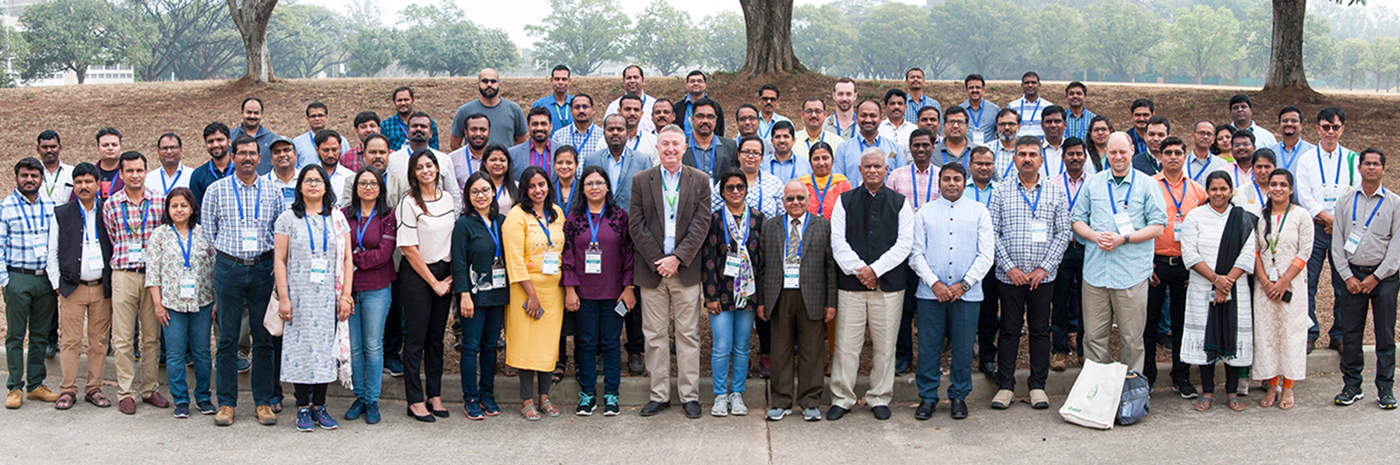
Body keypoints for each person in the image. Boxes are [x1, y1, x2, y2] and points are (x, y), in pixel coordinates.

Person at [203, 135, 288, 426]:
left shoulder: (273, 190)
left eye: (252, 153)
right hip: (229, 268)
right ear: (233, 156)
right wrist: (226, 258)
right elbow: (208, 233)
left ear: (259, 157)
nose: (248, 158)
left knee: (262, 337)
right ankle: (226, 403)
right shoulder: (217, 190)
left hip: (264, 268)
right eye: (242, 153)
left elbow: (279, 231)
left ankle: (263, 402)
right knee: (227, 338)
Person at [629, 125, 713, 419]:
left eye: (675, 144)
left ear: (685, 146)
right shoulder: (641, 180)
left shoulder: (700, 180)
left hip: (685, 271)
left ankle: (689, 396)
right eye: (665, 144)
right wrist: (660, 260)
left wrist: (677, 258)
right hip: (652, 272)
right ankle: (659, 394)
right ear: (657, 146)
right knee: (654, 335)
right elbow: (636, 225)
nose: (670, 149)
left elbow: (702, 224)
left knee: (688, 334)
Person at [1070, 132, 1167, 374]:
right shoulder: (1093, 183)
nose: (1118, 157)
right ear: (1107, 154)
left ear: (1133, 150)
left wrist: (1124, 239)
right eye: (1112, 152)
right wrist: (1095, 236)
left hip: (1131, 275)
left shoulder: (1148, 185)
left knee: (1132, 340)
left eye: (1123, 151)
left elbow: (1158, 225)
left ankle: (1130, 394)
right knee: (1093, 338)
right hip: (1095, 274)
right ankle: (1096, 395)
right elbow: (1077, 220)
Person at [828, 149, 914, 421]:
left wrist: (875, 270)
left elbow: (904, 244)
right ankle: (842, 397)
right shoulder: (844, 201)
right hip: (851, 287)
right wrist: (860, 271)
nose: (873, 170)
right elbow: (838, 242)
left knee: (885, 345)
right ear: (860, 170)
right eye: (867, 167)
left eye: (878, 166)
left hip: (888, 288)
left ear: (886, 169)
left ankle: (879, 396)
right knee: (846, 345)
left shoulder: (901, 203)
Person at [988, 136, 1070, 410]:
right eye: (1021, 153)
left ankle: (1037, 386)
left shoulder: (1055, 192)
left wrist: (1043, 268)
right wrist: (1009, 267)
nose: (1026, 158)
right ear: (1014, 159)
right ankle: (1005, 386)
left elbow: (1063, 234)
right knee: (1010, 330)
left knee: (1039, 331)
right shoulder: (1000, 191)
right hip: (1009, 276)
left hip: (1042, 278)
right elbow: (993, 232)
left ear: (1041, 159)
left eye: (1032, 154)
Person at [908, 162, 993, 420]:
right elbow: (915, 253)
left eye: (957, 179)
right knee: (929, 347)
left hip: (967, 295)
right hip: (930, 294)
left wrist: (963, 284)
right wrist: (934, 283)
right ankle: (928, 397)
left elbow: (986, 254)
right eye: (947, 179)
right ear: (939, 182)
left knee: (963, 347)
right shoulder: (924, 212)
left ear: (964, 181)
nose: (952, 183)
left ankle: (958, 396)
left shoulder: (979, 212)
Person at [273, 165, 353, 432]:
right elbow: (280, 261)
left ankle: (320, 405)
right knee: (300, 351)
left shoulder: (337, 218)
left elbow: (347, 260)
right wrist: (284, 297)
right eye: (308, 180)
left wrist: (346, 296)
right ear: (300, 187)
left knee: (323, 352)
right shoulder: (287, 218)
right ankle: (303, 407)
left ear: (326, 186)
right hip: (299, 295)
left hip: (328, 297)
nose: (313, 185)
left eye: (318, 180)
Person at [1179, 171, 1257, 411]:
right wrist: (1215, 279)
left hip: (1236, 287)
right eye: (1214, 189)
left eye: (1223, 189)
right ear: (1207, 191)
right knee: (1206, 336)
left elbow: (1247, 254)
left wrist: (1227, 282)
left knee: (1231, 334)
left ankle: (1232, 392)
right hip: (1203, 286)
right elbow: (1189, 253)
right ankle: (1208, 391)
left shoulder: (1242, 218)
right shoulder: (1195, 216)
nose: (1219, 194)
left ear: (1231, 190)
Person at [561, 166, 634, 416]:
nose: (595, 187)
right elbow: (567, 255)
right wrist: (570, 289)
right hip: (584, 293)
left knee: (612, 343)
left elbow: (628, 254)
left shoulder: (619, 216)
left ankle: (612, 394)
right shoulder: (574, 218)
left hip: (614, 293)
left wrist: (628, 287)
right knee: (586, 343)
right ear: (582, 188)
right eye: (590, 183)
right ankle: (587, 394)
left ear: (607, 187)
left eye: (599, 183)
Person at [1330, 148, 1399, 409]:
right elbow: (1337, 245)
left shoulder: (1395, 203)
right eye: (1366, 163)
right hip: (1352, 277)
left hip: (1385, 279)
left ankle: (1385, 388)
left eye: (1376, 164)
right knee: (1350, 334)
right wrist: (1347, 276)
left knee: (1384, 334)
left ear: (1383, 169)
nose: (1371, 168)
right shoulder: (1345, 202)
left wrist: (1376, 277)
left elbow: (1396, 248)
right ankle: (1351, 385)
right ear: (1359, 168)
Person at [761, 180, 836, 422]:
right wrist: (762, 300)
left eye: (800, 198)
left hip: (812, 295)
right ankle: (781, 401)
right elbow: (762, 267)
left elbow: (830, 268)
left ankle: (810, 401)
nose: (795, 203)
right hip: (780, 294)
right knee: (780, 350)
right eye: (790, 198)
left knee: (811, 351)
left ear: (808, 200)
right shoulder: (770, 226)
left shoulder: (823, 226)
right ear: (783, 201)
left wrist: (831, 303)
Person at [396, 149, 460, 422]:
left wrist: (450, 277)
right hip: (417, 275)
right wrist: (433, 282)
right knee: (416, 339)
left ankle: (435, 394)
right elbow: (408, 248)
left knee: (436, 338)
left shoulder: (447, 199)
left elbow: (454, 239)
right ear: (413, 173)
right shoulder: (408, 202)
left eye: (430, 165)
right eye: (420, 167)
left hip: (444, 274)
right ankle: (414, 400)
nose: (426, 170)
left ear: (437, 169)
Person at [104, 151, 169, 415]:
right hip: (123, 274)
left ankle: (149, 388)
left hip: (153, 277)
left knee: (152, 336)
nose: (134, 175)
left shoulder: (159, 201)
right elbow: (111, 237)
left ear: (146, 171)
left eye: (139, 170)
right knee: (122, 337)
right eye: (129, 171)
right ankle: (126, 392)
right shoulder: (110, 204)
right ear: (121, 174)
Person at [47, 163, 114, 410]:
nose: (83, 186)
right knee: (70, 341)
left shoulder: (108, 210)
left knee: (98, 342)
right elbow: (51, 252)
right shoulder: (62, 213)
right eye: (78, 182)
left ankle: (94, 388)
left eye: (88, 181)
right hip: (72, 287)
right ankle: (67, 389)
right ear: (73, 186)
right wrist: (57, 285)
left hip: (101, 287)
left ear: (98, 184)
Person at [501, 166, 566, 420]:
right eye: (532, 186)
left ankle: (545, 396)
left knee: (548, 345)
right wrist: (531, 294)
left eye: (542, 185)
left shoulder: (557, 213)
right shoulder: (516, 216)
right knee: (526, 344)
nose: (538, 190)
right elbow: (514, 259)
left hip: (553, 288)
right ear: (524, 190)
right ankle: (527, 399)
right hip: (525, 289)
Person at [146, 187, 215, 418]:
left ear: (192, 208)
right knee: (175, 355)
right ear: (167, 208)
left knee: (202, 353)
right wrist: (158, 304)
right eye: (174, 205)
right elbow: (153, 273)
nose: (179, 210)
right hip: (171, 305)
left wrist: (216, 300)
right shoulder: (160, 235)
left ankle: (204, 398)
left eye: (184, 205)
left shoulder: (204, 234)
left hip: (202, 302)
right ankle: (181, 401)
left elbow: (214, 269)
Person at [701, 171, 764, 417]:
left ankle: (737, 393)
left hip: (748, 294)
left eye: (740, 187)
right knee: (722, 346)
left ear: (746, 189)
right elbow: (707, 259)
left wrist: (761, 299)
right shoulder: (714, 220)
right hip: (722, 293)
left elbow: (763, 260)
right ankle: (719, 395)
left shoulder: (758, 218)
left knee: (742, 346)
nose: (735, 191)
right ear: (722, 191)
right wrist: (710, 296)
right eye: (730, 188)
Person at [1150, 136, 1208, 396]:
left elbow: (1205, 230)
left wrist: (1196, 267)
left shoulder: (1197, 191)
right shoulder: (1149, 186)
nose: (1173, 157)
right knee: (1149, 324)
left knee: (1182, 323)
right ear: (1160, 157)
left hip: (1186, 267)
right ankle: (1147, 377)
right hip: (1155, 265)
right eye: (1168, 152)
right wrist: (1145, 264)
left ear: (1185, 156)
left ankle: (1181, 376)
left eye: (1178, 152)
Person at [1296, 107, 1357, 352]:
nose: (1330, 132)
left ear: (1342, 128)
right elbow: (1304, 194)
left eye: (1335, 127)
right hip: (1315, 227)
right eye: (1325, 127)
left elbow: (1355, 191)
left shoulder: (1353, 159)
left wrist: (1337, 221)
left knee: (1342, 282)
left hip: (1342, 229)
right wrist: (1325, 217)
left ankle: (1340, 333)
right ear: (1318, 128)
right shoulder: (1307, 159)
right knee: (1307, 282)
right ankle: (1309, 331)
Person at [2, 157, 60, 409]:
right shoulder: (5, 207)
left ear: (41, 179)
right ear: (17, 178)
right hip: (18, 278)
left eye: (34, 176)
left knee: (39, 335)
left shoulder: (50, 206)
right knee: (16, 335)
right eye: (24, 175)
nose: (29, 180)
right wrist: (6, 280)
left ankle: (36, 385)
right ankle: (15, 387)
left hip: (44, 280)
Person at [1252, 168, 1312, 410]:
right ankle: (1271, 385)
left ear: (1291, 189)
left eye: (1283, 185)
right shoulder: (1261, 216)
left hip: (1292, 285)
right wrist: (1266, 282)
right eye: (1273, 184)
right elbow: (1254, 251)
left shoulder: (1301, 216)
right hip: (1264, 286)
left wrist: (1284, 281)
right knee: (1267, 335)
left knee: (1290, 334)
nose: (1277, 188)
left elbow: (1305, 251)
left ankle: (1288, 387)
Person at [451, 172, 509, 420]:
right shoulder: (464, 223)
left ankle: (487, 394)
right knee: (470, 346)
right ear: (468, 196)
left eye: (485, 190)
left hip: (498, 294)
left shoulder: (503, 221)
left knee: (490, 346)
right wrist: (463, 294)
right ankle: (471, 398)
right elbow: (459, 262)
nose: (481, 195)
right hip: (473, 296)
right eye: (475, 192)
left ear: (493, 192)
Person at [343, 167, 396, 424]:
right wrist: (353, 258)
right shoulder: (344, 215)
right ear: (356, 188)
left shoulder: (387, 216)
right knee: (354, 347)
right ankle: (360, 396)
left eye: (373, 183)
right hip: (349, 289)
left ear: (380, 188)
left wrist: (354, 257)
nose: (367, 188)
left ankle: (373, 400)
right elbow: (339, 249)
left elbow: (384, 254)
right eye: (362, 183)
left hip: (377, 287)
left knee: (373, 345)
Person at [888, 128, 939, 374]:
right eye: (915, 145)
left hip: (933, 253)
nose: (920, 149)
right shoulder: (896, 176)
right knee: (905, 308)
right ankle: (904, 356)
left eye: (925, 145)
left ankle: (930, 359)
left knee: (930, 311)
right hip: (903, 252)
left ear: (933, 145)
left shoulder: (942, 176)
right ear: (909, 147)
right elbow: (888, 212)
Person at [1051, 139, 1089, 370]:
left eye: (1079, 154)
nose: (1075, 158)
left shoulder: (1094, 184)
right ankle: (1060, 350)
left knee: (1089, 302)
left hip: (1087, 249)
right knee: (1060, 300)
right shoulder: (1053, 184)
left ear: (1085, 157)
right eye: (1070, 154)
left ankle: (1085, 350)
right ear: (1063, 157)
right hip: (1061, 250)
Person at [551, 146, 580, 380]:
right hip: (552, 255)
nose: (564, 167)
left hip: (581, 255)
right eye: (560, 162)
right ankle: (558, 359)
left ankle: (581, 360)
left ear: (576, 165)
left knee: (580, 310)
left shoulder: (585, 188)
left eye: (569, 163)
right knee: (557, 310)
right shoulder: (547, 189)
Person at [585, 114, 652, 212]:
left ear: (627, 133)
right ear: (604, 133)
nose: (615, 133)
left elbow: (648, 195)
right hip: (599, 221)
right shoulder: (591, 160)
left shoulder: (642, 160)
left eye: (620, 129)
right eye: (611, 129)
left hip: (631, 221)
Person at [450, 68, 526, 150]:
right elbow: (455, 144)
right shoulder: (464, 111)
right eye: (485, 81)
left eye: (493, 81)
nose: (489, 84)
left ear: (499, 84)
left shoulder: (514, 110)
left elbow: (521, 142)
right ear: (478, 84)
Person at [833, 99, 902, 181]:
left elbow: (900, 180)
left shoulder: (894, 148)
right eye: (863, 115)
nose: (868, 120)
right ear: (856, 118)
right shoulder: (843, 149)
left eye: (873, 116)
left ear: (881, 118)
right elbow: (838, 182)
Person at [681, 98, 736, 177]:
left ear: (716, 119)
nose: (705, 121)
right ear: (692, 119)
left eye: (710, 116)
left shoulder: (730, 147)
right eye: (700, 116)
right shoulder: (681, 147)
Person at [799, 142, 852, 220]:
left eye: (825, 158)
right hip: (808, 230)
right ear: (810, 162)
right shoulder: (802, 185)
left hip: (836, 230)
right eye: (816, 159)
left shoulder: (842, 184)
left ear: (832, 160)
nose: (821, 163)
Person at [228, 97, 280, 175]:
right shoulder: (230, 137)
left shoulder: (272, 139)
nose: (252, 116)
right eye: (249, 112)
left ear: (261, 114)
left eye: (256, 113)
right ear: (242, 113)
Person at [339, 134, 392, 207]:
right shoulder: (352, 181)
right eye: (373, 152)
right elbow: (347, 210)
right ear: (364, 154)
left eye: (382, 152)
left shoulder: (400, 181)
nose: (378, 156)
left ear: (388, 154)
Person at [291, 103, 349, 168]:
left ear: (327, 117)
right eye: (313, 116)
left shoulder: (341, 141)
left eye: (320, 115)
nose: (317, 119)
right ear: (307, 119)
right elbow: (293, 167)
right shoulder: (297, 142)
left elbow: (346, 164)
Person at [604, 65, 658, 135]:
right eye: (629, 78)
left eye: (635, 77)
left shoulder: (654, 105)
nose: (632, 81)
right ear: (623, 81)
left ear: (643, 80)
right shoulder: (614, 106)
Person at [383, 86, 439, 151]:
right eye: (399, 100)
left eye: (406, 100)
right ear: (394, 102)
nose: (403, 103)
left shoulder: (427, 123)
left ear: (413, 100)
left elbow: (434, 150)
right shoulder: (386, 125)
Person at [189, 123, 232, 207]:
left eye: (220, 140)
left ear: (229, 141)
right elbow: (196, 209)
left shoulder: (240, 171)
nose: (215, 145)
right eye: (210, 141)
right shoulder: (198, 175)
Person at [674, 70, 726, 138]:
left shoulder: (715, 107)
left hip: (709, 147)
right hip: (684, 146)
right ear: (686, 85)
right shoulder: (677, 107)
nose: (696, 83)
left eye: (699, 81)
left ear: (705, 84)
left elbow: (719, 130)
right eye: (692, 81)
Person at [794, 97, 844, 162]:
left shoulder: (837, 142)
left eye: (818, 111)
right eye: (809, 111)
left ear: (825, 115)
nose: (813, 115)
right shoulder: (792, 142)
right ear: (802, 115)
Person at [508, 108, 552, 181]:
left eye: (543, 124)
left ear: (551, 126)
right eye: (535, 124)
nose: (539, 128)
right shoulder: (513, 154)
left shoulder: (559, 150)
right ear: (528, 127)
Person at [615, 94, 658, 165]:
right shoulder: (606, 141)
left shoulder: (653, 141)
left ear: (641, 113)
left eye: (636, 110)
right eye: (627, 109)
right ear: (619, 111)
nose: (632, 113)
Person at [959, 74, 1000, 147]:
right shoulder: (959, 110)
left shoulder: (994, 110)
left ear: (983, 89)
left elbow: (1000, 133)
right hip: (966, 153)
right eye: (971, 87)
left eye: (978, 87)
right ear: (966, 90)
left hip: (988, 153)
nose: (975, 90)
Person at [1008, 72, 1052, 139]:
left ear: (1039, 85)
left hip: (1040, 146)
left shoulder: (1048, 106)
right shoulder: (1012, 106)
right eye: (1027, 83)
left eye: (1033, 82)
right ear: (1022, 85)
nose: (1030, 85)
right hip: (1018, 146)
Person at [314, 130, 354, 201]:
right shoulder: (309, 176)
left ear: (340, 148)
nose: (330, 155)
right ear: (317, 150)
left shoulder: (350, 177)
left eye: (334, 150)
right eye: (326, 150)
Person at [1187, 120, 1230, 185]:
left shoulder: (1223, 164)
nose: (1205, 137)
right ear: (1193, 135)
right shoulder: (1183, 163)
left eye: (1209, 134)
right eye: (1201, 133)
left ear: (1213, 138)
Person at [1234, 149, 1277, 214]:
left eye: (1267, 167)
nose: (1263, 171)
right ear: (1252, 168)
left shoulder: (1280, 191)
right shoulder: (1241, 192)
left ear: (1275, 168)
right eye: (1259, 167)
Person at [532, 65, 574, 131]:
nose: (560, 82)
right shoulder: (540, 105)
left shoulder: (577, 104)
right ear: (551, 80)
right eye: (557, 79)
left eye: (564, 79)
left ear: (569, 81)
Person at [37, 130, 73, 205]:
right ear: (38, 149)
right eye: (44, 147)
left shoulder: (71, 172)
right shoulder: (32, 173)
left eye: (53, 147)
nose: (49, 150)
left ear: (60, 147)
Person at [1275, 106, 1313, 173]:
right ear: (1279, 125)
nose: (1289, 124)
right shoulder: (1271, 151)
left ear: (1301, 125)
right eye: (1285, 121)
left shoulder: (1311, 152)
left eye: (1294, 121)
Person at [878, 89, 915, 156]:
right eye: (892, 104)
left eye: (900, 103)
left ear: (905, 107)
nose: (896, 107)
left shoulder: (913, 129)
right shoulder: (878, 129)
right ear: (885, 107)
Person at [483, 145, 518, 213]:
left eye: (502, 160)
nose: (498, 163)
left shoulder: (517, 187)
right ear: (485, 164)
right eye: (493, 160)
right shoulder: (478, 187)